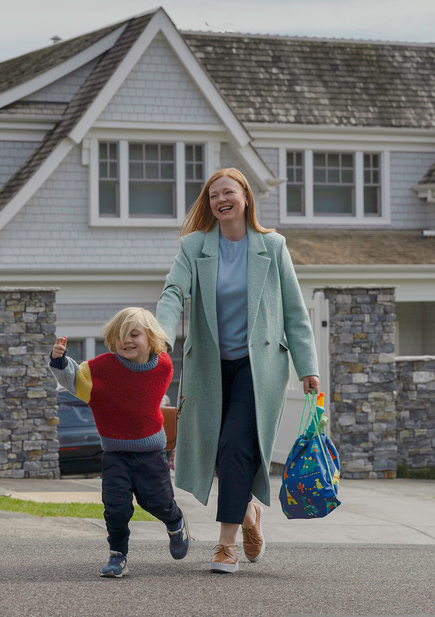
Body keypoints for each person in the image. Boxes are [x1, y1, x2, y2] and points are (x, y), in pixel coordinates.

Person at [156, 167, 320, 574]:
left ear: (245, 197)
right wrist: (158, 333)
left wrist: (308, 367)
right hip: (209, 368)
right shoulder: (194, 247)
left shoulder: (272, 245)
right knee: (215, 451)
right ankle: (248, 513)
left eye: (227, 192)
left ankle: (225, 545)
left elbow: (296, 314)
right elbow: (175, 290)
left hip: (259, 367)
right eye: (213, 196)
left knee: (235, 445)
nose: (220, 200)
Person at [49, 307, 190, 578]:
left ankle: (175, 523)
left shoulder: (163, 366)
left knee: (158, 502)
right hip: (115, 454)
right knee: (115, 508)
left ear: (151, 338)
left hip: (151, 453)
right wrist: (60, 360)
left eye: (134, 334)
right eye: (120, 336)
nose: (126, 341)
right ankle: (117, 555)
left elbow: (144, 391)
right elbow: (75, 380)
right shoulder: (101, 368)